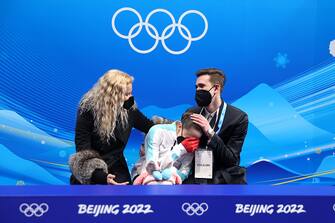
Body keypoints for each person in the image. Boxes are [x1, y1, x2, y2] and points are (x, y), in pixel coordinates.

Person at [69, 69, 154, 185]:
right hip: (93, 173)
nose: (130, 97)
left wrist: (178, 127)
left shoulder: (128, 109)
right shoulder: (88, 109)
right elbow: (83, 147)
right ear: (113, 95)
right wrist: (101, 176)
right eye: (126, 94)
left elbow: (149, 126)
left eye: (131, 93)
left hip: (118, 169)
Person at [184, 68, 249, 184]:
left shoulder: (238, 118)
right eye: (196, 87)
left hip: (223, 178)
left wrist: (210, 132)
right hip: (195, 177)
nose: (198, 90)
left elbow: (232, 160)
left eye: (202, 86)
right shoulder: (191, 113)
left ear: (216, 88)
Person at [132, 111, 202, 185]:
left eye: (194, 140)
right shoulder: (157, 131)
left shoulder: (192, 145)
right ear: (179, 126)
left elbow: (184, 171)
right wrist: (180, 149)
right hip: (145, 174)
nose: (189, 143)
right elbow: (152, 166)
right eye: (187, 138)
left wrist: (173, 175)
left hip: (169, 181)